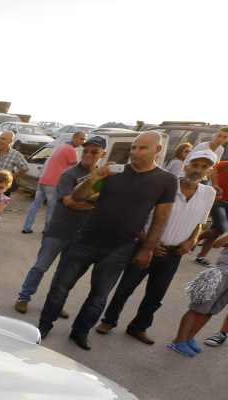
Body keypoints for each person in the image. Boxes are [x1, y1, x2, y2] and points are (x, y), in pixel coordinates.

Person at [38, 131, 178, 349]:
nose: (135, 152)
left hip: (120, 248)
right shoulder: (113, 172)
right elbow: (78, 197)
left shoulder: (166, 181)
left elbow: (160, 219)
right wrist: (96, 177)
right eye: (133, 147)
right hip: (85, 240)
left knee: (99, 297)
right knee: (60, 287)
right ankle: (44, 326)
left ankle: (80, 332)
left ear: (157, 150)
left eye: (142, 148)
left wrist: (147, 249)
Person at [96, 150, 218, 345]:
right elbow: (142, 216)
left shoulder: (208, 193)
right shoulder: (168, 184)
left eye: (204, 167)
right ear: (186, 165)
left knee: (156, 295)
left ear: (209, 171)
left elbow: (200, 224)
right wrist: (148, 242)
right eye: (195, 165)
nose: (198, 170)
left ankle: (139, 327)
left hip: (174, 253)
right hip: (148, 246)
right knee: (126, 288)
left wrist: (191, 242)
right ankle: (109, 321)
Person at [15, 136, 107, 314]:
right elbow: (70, 203)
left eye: (94, 151)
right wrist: (94, 205)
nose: (88, 154)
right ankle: (24, 297)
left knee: (64, 275)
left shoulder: (101, 176)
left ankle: (55, 304)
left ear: (103, 153)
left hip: (80, 234)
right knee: (40, 266)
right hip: (57, 230)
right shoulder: (69, 174)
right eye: (86, 150)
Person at [170, 233, 228, 356]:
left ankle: (189, 338)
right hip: (221, 274)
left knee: (210, 311)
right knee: (197, 309)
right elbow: (217, 244)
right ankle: (179, 340)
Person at [23, 131, 86, 234]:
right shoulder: (70, 150)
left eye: (84, 139)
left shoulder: (61, 147)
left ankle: (26, 227)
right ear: (75, 138)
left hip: (43, 180)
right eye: (81, 139)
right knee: (52, 208)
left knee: (35, 205)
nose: (83, 141)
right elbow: (76, 168)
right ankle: (47, 230)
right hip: (53, 182)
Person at [195, 158, 228, 265]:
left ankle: (200, 255)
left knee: (215, 231)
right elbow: (212, 170)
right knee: (223, 230)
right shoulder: (224, 164)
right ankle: (194, 239)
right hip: (218, 200)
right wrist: (215, 184)